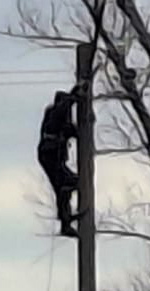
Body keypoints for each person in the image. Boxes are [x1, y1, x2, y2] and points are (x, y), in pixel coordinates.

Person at [37, 85, 85, 237]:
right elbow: (63, 108)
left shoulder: (58, 118)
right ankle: (65, 220)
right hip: (50, 155)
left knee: (64, 186)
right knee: (68, 184)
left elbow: (71, 130)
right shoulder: (54, 113)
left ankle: (66, 221)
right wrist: (74, 97)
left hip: (50, 155)